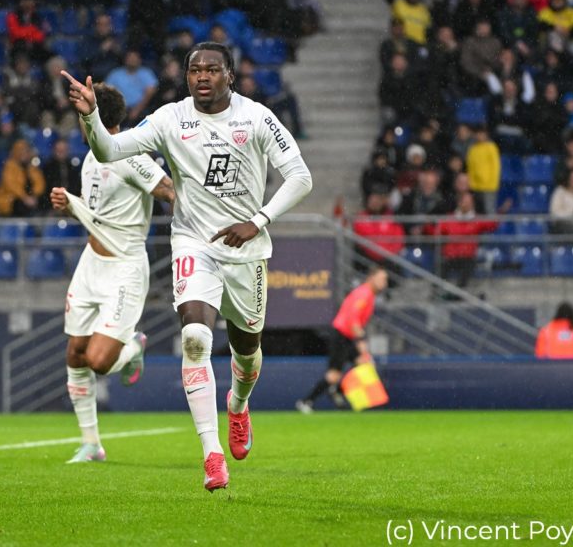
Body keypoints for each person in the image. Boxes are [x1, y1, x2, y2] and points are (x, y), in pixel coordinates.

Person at [61, 41, 312, 491]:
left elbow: (301, 177)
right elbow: (109, 150)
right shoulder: (169, 119)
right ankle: (212, 455)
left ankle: (238, 405)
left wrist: (258, 221)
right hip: (194, 244)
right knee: (195, 338)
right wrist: (91, 116)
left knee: (247, 352)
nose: (202, 76)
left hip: (247, 250)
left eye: (212, 69)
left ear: (229, 75)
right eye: (195, 70)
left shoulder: (256, 118)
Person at [51, 82, 175, 463]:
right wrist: (72, 205)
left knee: (99, 361)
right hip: (91, 264)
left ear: (94, 117)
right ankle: (92, 444)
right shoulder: (92, 156)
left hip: (125, 269)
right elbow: (101, 215)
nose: (78, 121)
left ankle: (134, 345)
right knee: (75, 353)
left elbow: (169, 190)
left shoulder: (130, 154)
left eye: (83, 114)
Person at [295, 267, 387, 414]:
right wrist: (362, 344)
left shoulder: (367, 294)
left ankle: (338, 391)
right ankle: (306, 401)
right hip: (341, 336)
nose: (384, 282)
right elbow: (353, 321)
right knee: (334, 375)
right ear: (371, 278)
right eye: (381, 278)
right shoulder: (364, 294)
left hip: (347, 337)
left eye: (385, 279)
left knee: (364, 365)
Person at [430, 192, 498, 287]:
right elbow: (436, 232)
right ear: (459, 203)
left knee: (468, 266)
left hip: (467, 257)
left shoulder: (477, 220)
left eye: (469, 202)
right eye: (465, 202)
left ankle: (460, 291)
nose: (467, 205)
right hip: (450, 256)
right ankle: (437, 291)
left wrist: (501, 212)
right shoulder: (449, 219)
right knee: (441, 266)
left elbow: (492, 225)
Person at [0, 139, 44, 217]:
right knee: (19, 204)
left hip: (29, 198)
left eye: (26, 151)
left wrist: (34, 195)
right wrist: (25, 197)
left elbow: (39, 183)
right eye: (21, 151)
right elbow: (10, 185)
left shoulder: (32, 167)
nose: (23, 154)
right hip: (12, 199)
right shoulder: (10, 166)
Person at [465, 126, 500, 213]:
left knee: (489, 209)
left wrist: (493, 184)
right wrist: (471, 182)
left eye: (482, 134)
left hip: (488, 186)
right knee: (477, 211)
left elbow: (495, 166)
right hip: (475, 186)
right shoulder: (473, 149)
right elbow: (470, 167)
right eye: (478, 134)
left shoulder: (491, 147)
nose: (479, 136)